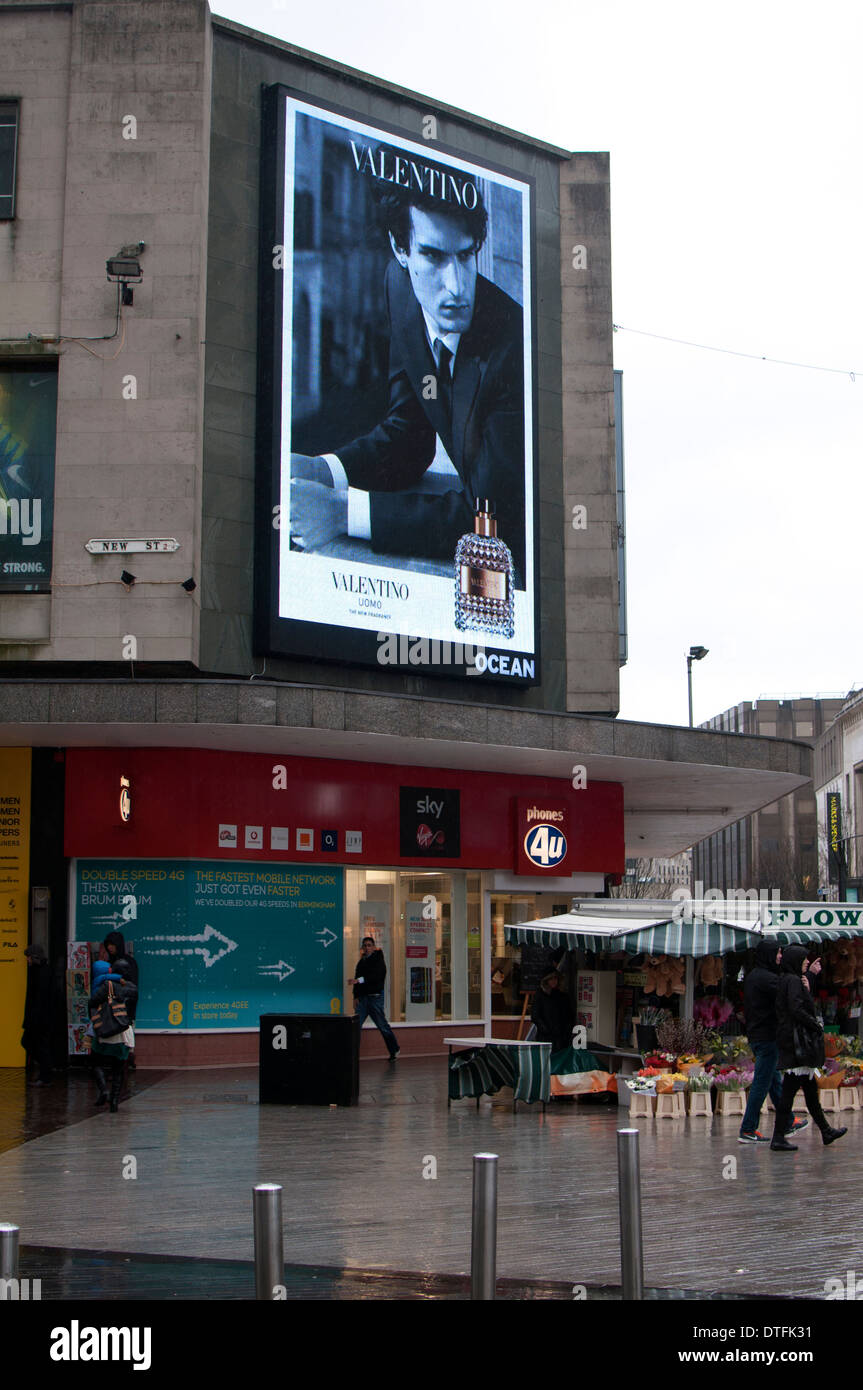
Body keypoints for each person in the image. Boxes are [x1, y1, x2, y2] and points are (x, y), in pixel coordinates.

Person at [289, 174, 526, 581]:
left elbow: (493, 518)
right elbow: (409, 436)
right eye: (433, 256)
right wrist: (326, 471)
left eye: (466, 256)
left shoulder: (512, 346)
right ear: (401, 250)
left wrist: (341, 512)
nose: (456, 287)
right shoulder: (400, 290)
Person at [770, 945, 846, 1152]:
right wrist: (816, 1025)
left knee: (810, 1091)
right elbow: (797, 1008)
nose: (806, 962)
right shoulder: (793, 981)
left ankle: (826, 1130)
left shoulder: (788, 979)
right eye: (803, 959)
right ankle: (778, 1137)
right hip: (799, 1045)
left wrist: (806, 988)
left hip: (793, 1042)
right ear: (795, 960)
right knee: (789, 1092)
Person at [738, 941, 807, 1144]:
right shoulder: (766, 978)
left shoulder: (755, 976)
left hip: (761, 1036)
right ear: (769, 954)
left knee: (774, 1081)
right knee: (762, 1082)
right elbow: (789, 994)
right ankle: (748, 1128)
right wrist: (807, 977)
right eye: (777, 953)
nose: (780, 957)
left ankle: (787, 1121)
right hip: (767, 1037)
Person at [89, 958, 137, 1113]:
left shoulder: (107, 985)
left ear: (112, 971)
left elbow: (92, 1002)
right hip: (124, 1033)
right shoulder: (132, 989)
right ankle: (114, 1102)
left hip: (107, 1030)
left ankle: (103, 1090)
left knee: (95, 1062)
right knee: (119, 1068)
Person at [349, 936, 400, 1060]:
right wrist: (355, 996)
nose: (367, 948)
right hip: (363, 999)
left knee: (382, 1025)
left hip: (375, 998)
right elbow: (357, 978)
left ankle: (394, 1049)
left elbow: (375, 977)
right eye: (365, 945)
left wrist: (359, 981)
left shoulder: (378, 960)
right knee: (355, 1026)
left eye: (369, 945)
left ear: (373, 947)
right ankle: (352, 1054)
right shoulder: (361, 962)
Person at [104, 930, 139, 1069]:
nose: (110, 948)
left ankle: (123, 1064)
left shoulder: (126, 963)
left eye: (112, 944)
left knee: (123, 1040)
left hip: (124, 1008)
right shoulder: (110, 963)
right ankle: (120, 1065)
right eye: (108, 945)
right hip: (114, 1008)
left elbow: (132, 988)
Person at [21, 944, 54, 1085]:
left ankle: (45, 1074)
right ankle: (46, 1071)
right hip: (37, 1018)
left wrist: (34, 1018)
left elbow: (39, 998)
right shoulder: (37, 971)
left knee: (37, 1044)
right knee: (31, 1043)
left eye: (28, 957)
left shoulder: (42, 973)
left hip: (40, 1019)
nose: (27, 960)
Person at [531, 971, 574, 1054]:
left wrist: (566, 1031)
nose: (554, 981)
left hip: (561, 1037)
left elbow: (569, 1015)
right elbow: (535, 1016)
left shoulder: (563, 996)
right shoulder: (540, 995)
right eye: (551, 979)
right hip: (546, 1037)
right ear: (546, 980)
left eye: (555, 978)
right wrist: (545, 1029)